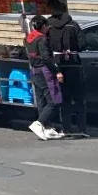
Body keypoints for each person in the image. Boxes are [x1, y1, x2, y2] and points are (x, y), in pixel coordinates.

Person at [47, 9, 87, 137]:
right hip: (74, 63)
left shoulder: (48, 26)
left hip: (58, 64)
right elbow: (82, 44)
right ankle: (82, 129)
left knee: (65, 99)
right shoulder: (73, 25)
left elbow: (45, 45)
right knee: (79, 98)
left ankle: (66, 129)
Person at [25, 12, 64, 140]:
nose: (48, 29)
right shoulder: (42, 39)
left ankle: (47, 128)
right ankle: (39, 123)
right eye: (47, 26)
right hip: (44, 72)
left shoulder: (28, 38)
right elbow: (46, 58)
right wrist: (57, 71)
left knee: (42, 100)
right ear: (43, 26)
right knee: (54, 100)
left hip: (34, 71)